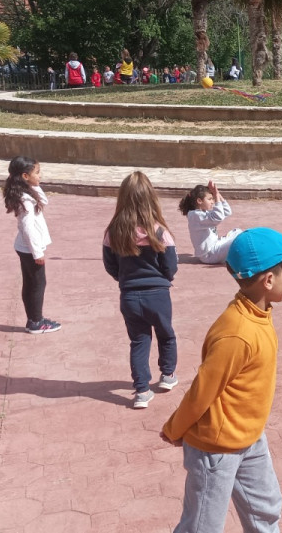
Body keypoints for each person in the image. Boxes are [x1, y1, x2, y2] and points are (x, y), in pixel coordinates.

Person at [160, 227, 282, 533]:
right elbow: (202, 391)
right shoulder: (237, 332)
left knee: (266, 507)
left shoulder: (259, 312)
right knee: (203, 525)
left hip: (249, 435)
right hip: (215, 448)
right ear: (268, 281)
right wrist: (175, 428)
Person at [102, 171, 179, 408]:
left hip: (130, 295)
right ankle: (167, 376)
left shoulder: (113, 232)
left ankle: (142, 391)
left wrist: (123, 278)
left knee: (139, 341)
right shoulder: (159, 231)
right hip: (158, 293)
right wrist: (163, 278)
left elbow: (110, 265)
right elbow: (171, 265)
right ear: (151, 199)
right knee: (166, 334)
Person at [3, 156, 62, 334]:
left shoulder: (27, 193)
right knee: (37, 284)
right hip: (29, 249)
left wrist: (34, 184)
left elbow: (44, 201)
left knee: (30, 283)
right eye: (37, 172)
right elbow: (28, 229)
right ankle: (36, 321)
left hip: (25, 248)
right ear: (25, 176)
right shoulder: (26, 200)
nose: (40, 175)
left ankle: (33, 319)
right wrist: (37, 253)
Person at [180, 181, 243, 264]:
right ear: (199, 201)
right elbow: (218, 217)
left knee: (238, 232)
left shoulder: (203, 212)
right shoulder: (195, 216)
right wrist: (216, 195)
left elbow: (227, 211)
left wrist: (217, 193)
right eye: (209, 199)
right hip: (209, 255)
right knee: (239, 241)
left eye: (213, 199)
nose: (213, 202)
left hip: (215, 247)